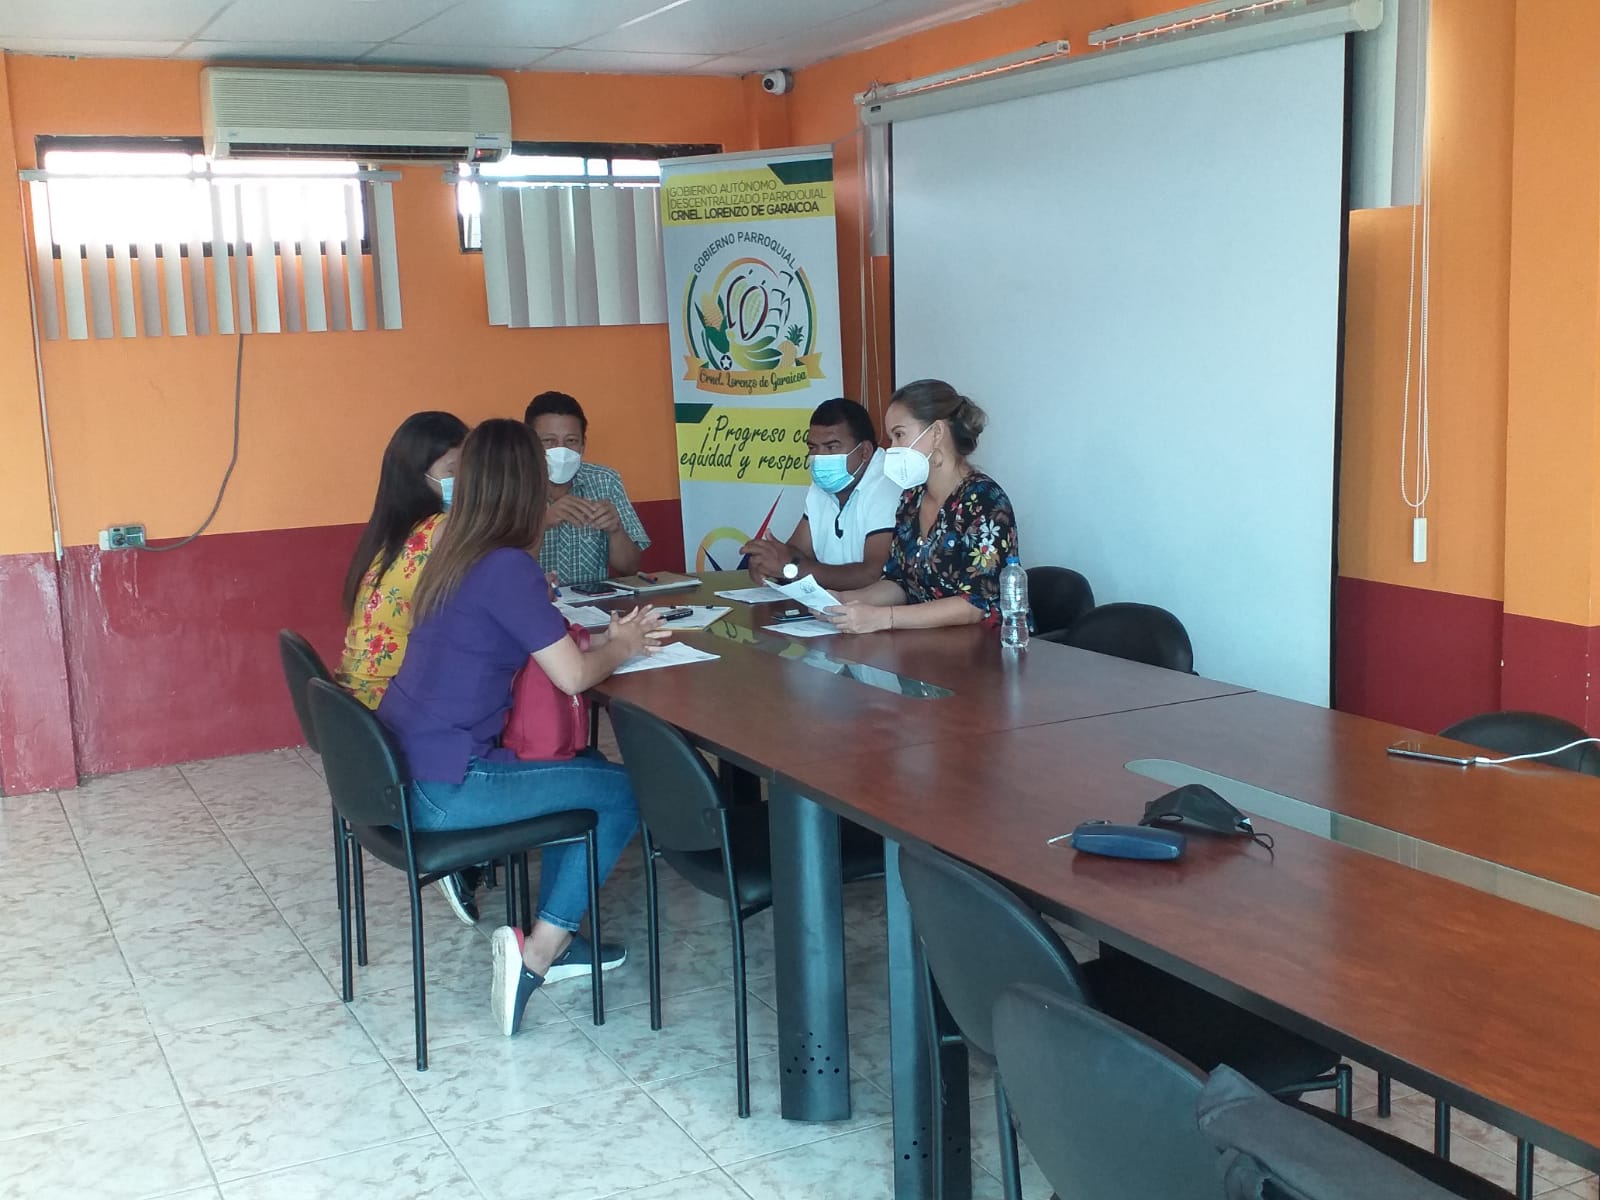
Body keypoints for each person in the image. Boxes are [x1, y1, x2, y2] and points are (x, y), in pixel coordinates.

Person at [378, 418, 667, 1037]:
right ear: (525, 489)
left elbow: (522, 642)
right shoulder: (506, 566)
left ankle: (558, 935)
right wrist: (623, 645)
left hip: (404, 769)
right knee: (622, 792)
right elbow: (572, 677)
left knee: (585, 772)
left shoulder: (455, 552)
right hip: (448, 785)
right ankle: (538, 954)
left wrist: (597, 635)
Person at [820, 379, 1017, 633]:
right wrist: (842, 601)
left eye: (899, 435)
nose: (891, 448)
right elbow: (898, 583)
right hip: (922, 643)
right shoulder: (912, 498)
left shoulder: (985, 500)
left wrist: (885, 618)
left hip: (983, 647)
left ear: (936, 433)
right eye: (891, 438)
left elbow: (974, 605)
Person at [337, 411, 467, 711]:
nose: (465, 482)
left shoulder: (387, 532)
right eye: (453, 471)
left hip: (352, 706)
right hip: (391, 705)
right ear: (417, 476)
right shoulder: (442, 529)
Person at [741, 397, 901, 591]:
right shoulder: (823, 484)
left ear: (865, 451)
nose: (819, 457)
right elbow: (798, 552)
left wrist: (791, 568)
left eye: (831, 447)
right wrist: (768, 560)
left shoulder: (889, 483)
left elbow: (874, 573)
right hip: (834, 605)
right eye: (812, 448)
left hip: (879, 607)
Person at [525, 391, 650, 584]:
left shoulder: (605, 480)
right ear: (529, 444)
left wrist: (616, 530)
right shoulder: (509, 486)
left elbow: (630, 568)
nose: (562, 451)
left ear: (583, 445)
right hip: (532, 600)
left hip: (593, 601)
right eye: (548, 441)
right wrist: (543, 523)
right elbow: (497, 572)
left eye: (571, 441)